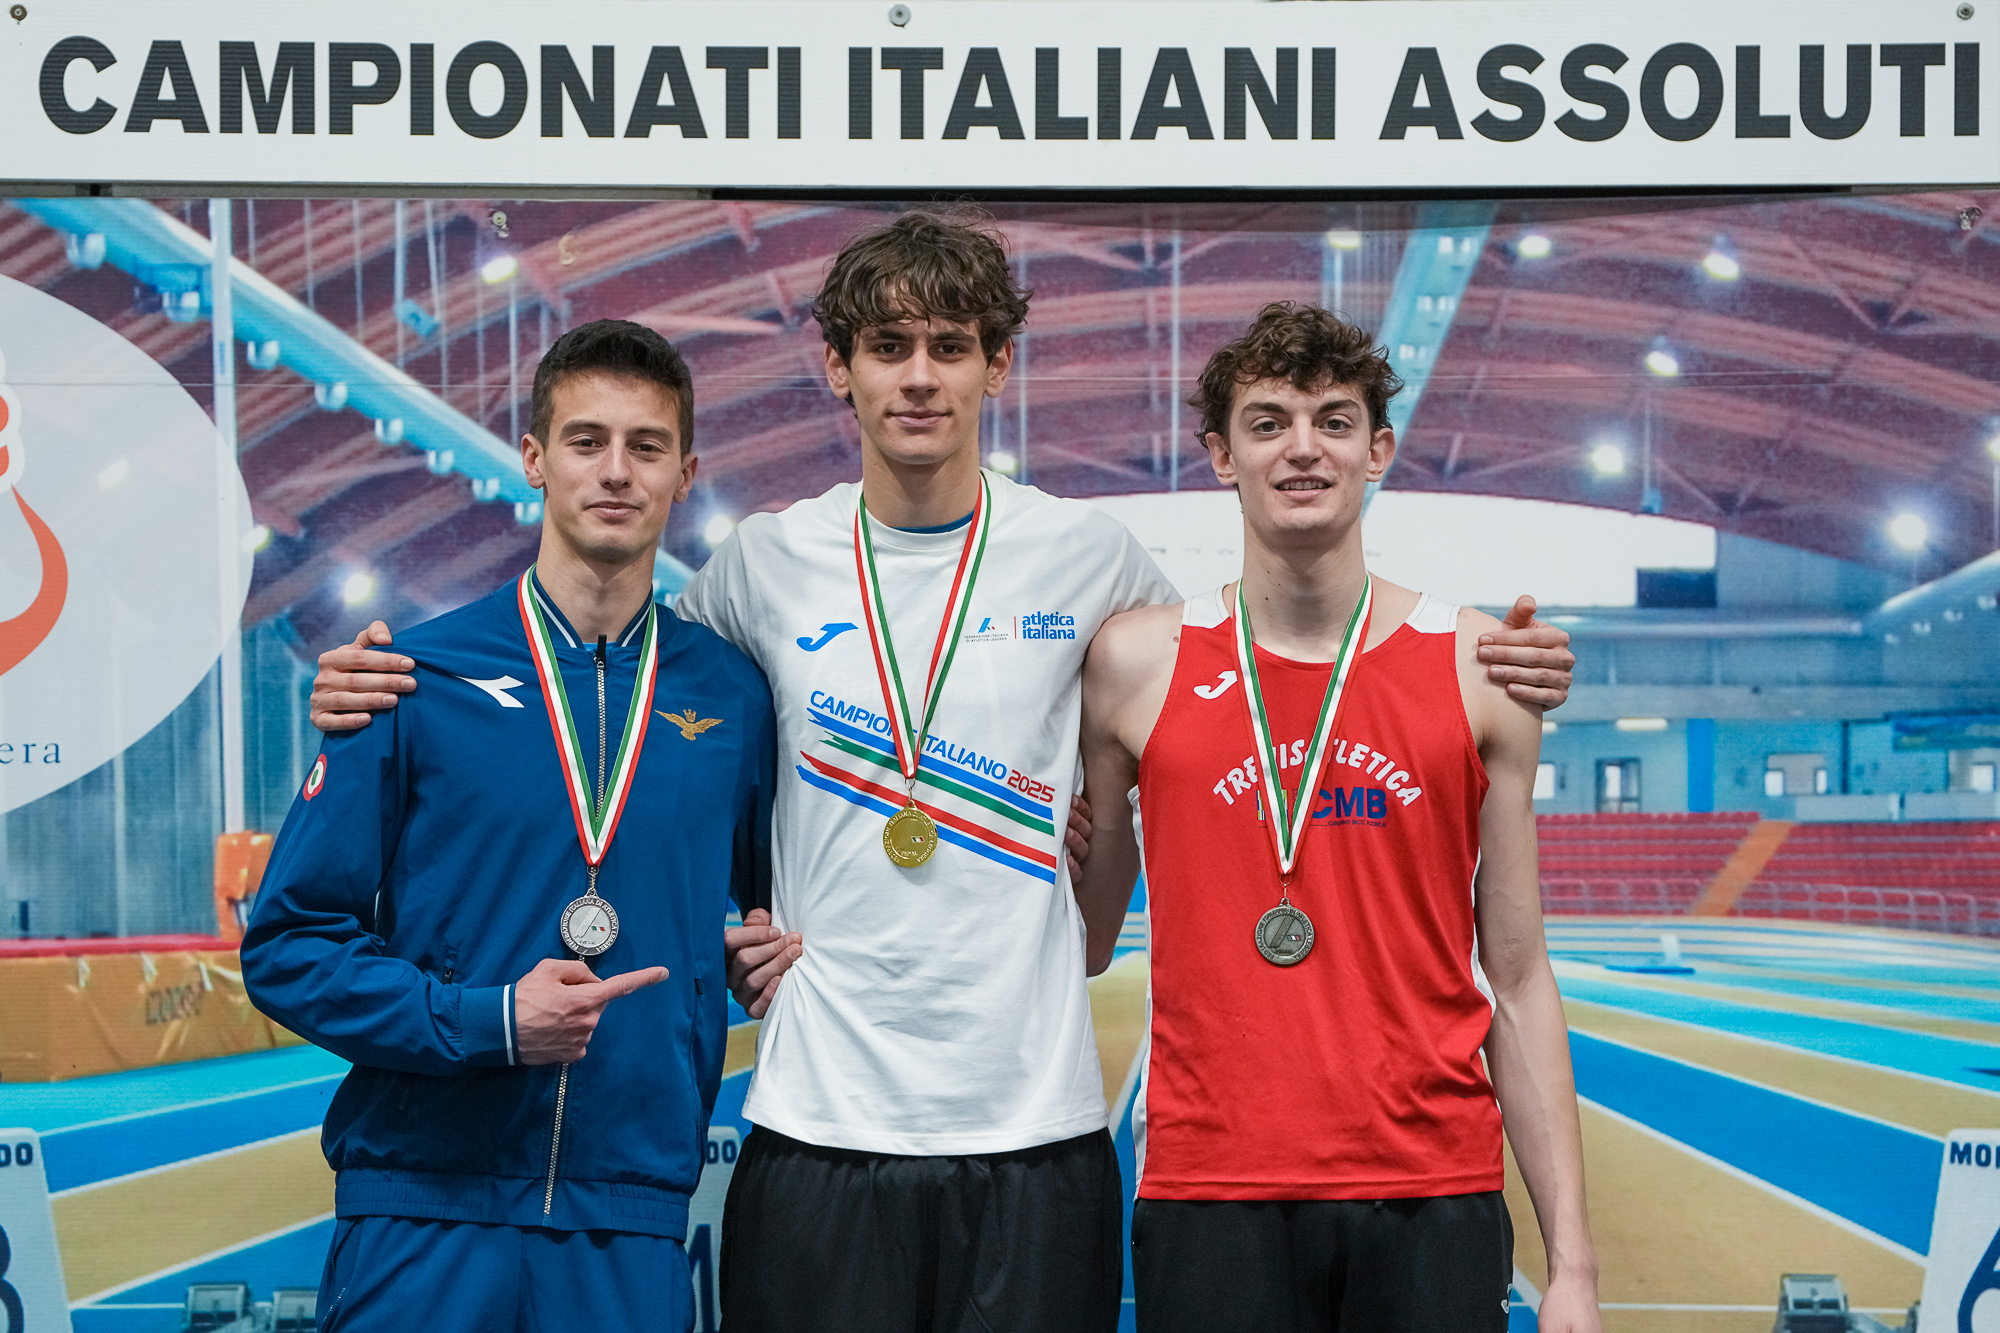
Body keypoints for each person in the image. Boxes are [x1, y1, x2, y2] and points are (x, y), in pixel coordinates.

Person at [306, 210, 1577, 1331]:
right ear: (839, 369)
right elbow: (605, 693)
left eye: (950, 346)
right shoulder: (763, 563)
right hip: (816, 1122)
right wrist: (394, 676)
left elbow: (1265, 656)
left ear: (995, 365)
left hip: (1035, 1132)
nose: (919, 376)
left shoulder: (1092, 559)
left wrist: (1479, 654)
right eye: (888, 347)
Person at [1075, 302, 1599, 1332]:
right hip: (1209, 1188)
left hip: (1430, 1186)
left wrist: (1572, 1266)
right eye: (1268, 422)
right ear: (1221, 457)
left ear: (1378, 451)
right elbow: (1089, 939)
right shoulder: (1134, 664)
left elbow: (1519, 974)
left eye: (1334, 420)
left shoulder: (1479, 667)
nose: (1302, 447)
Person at [243, 320, 776, 1332]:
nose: (614, 471)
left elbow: (780, 906)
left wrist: (758, 955)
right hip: (422, 1208)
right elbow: (288, 946)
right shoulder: (411, 679)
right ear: (533, 458)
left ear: (685, 474)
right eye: (585, 440)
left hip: (628, 1219)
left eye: (645, 446)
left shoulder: (732, 698)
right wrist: (486, 1021)